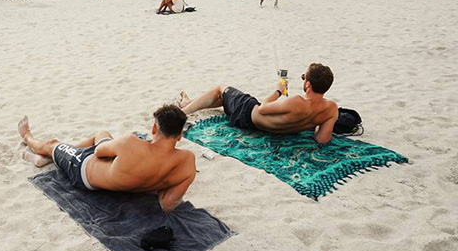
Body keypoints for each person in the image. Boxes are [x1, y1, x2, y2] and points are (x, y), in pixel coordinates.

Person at [18, 105, 196, 213]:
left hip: (82, 170)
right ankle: (49, 159)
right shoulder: (187, 162)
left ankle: (28, 138)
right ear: (180, 136)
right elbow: (167, 204)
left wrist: (127, 152)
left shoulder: (131, 143)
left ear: (154, 129)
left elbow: (99, 152)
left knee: (52, 143)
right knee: (102, 134)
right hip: (122, 183)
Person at [178, 63, 339, 144]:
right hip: (276, 129)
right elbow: (322, 139)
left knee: (221, 89)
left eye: (304, 77)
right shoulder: (331, 109)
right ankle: (192, 102)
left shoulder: (297, 101)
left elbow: (262, 109)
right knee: (226, 100)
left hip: (249, 115)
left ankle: (184, 109)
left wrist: (278, 91)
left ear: (308, 85)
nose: (303, 79)